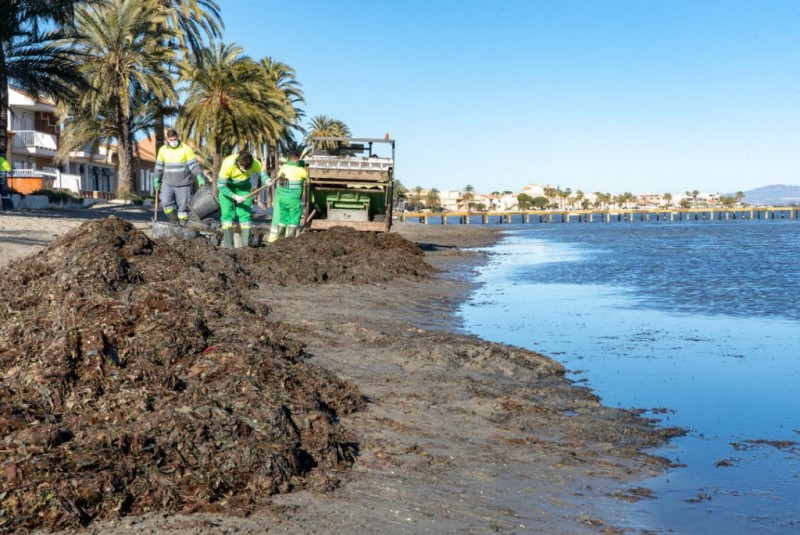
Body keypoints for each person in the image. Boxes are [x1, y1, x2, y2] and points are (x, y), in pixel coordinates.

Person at [217, 151, 270, 248]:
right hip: (227, 188)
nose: (242, 170)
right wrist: (235, 197)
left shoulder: (255, 163)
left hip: (243, 188)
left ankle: (245, 247)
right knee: (227, 216)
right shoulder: (227, 163)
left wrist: (267, 180)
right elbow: (221, 186)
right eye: (240, 167)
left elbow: (262, 174)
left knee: (245, 216)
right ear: (238, 162)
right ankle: (230, 248)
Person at [152, 128, 204, 226]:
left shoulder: (186, 149)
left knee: (183, 209)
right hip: (168, 184)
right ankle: (174, 223)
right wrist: (156, 179)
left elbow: (193, 165)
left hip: (184, 185)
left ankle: (183, 227)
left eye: (175, 139)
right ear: (167, 140)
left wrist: (199, 176)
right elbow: (158, 166)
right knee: (165, 203)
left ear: (178, 138)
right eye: (171, 140)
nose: (173, 142)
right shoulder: (163, 150)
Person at [268, 151, 308, 243]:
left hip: (283, 200)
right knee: (294, 219)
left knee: (283, 218)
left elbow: (280, 176)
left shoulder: (283, 168)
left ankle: (280, 239)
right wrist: (302, 165)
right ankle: (290, 240)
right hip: (293, 200)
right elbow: (307, 177)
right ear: (297, 159)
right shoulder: (300, 171)